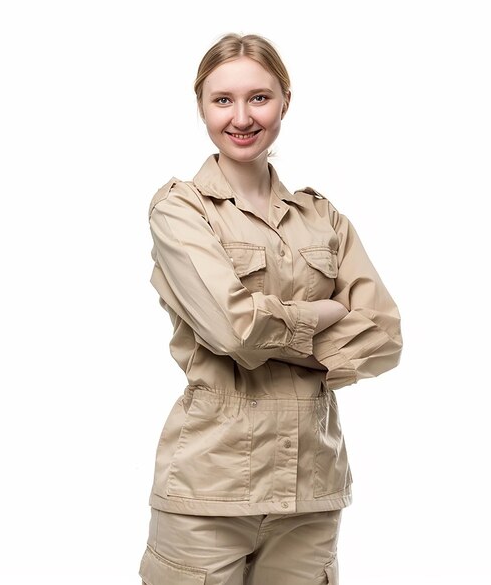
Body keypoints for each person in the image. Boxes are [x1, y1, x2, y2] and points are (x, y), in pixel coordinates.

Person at [139, 33, 402, 585]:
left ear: (285, 100)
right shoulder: (180, 209)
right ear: (201, 106)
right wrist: (324, 314)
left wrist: (273, 329)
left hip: (311, 490)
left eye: (259, 97)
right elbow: (234, 332)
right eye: (222, 100)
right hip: (207, 494)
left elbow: (382, 336)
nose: (241, 117)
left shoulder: (323, 217)